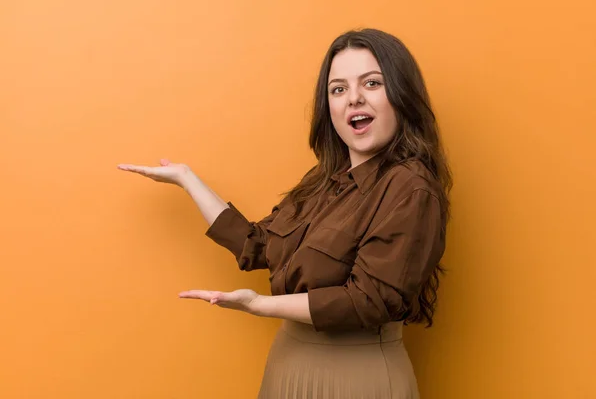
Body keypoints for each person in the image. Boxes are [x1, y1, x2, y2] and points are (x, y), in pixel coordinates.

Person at [118, 28, 452, 399]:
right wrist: (186, 179)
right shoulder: (324, 179)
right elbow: (257, 245)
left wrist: (260, 305)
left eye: (372, 83)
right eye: (338, 89)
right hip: (288, 365)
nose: (354, 99)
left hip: (357, 377)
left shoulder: (411, 187)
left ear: (401, 95)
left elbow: (368, 300)